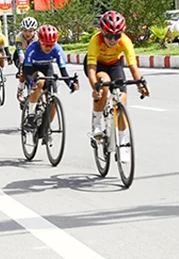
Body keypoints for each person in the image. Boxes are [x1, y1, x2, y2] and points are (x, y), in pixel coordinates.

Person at [85, 11, 149, 153]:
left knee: (122, 101)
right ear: (102, 33)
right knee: (104, 84)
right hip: (98, 66)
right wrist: (95, 88)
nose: (113, 40)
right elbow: (91, 69)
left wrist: (141, 85)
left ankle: (122, 141)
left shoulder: (125, 41)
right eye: (108, 35)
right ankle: (96, 122)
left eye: (117, 36)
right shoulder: (95, 41)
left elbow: (133, 67)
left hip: (115, 65)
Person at [21, 25, 77, 128]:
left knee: (54, 96)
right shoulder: (32, 48)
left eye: (51, 45)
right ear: (39, 41)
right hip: (32, 69)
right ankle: (31, 114)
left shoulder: (57, 49)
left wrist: (70, 84)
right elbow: (27, 70)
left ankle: (45, 127)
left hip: (47, 68)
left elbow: (63, 71)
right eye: (45, 44)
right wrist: (31, 82)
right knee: (40, 80)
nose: (48, 48)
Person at [13, 16, 39, 101]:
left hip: (33, 56)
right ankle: (20, 89)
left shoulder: (38, 38)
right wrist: (21, 68)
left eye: (30, 31)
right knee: (24, 72)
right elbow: (20, 52)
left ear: (34, 31)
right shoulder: (19, 37)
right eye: (25, 31)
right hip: (20, 55)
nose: (27, 34)